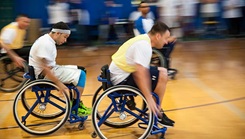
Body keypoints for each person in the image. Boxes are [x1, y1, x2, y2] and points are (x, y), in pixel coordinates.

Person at [109, 21, 175, 127]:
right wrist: (148, 98)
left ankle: (156, 110)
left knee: (162, 71)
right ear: (158, 36)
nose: (167, 42)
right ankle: (156, 113)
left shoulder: (143, 38)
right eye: (166, 38)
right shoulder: (144, 46)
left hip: (119, 73)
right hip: (121, 79)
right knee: (162, 75)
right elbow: (139, 74)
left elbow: (141, 70)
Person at [29, 21, 92, 116]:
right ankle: (76, 107)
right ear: (58, 33)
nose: (65, 40)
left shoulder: (46, 40)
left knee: (81, 69)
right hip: (44, 74)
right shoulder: (46, 43)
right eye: (65, 37)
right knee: (81, 75)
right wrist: (60, 85)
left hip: (46, 71)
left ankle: (75, 102)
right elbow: (45, 68)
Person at [135, 1, 177, 76]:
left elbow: (157, 32)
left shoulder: (151, 20)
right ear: (139, 9)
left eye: (147, 6)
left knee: (172, 41)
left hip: (154, 40)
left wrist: (166, 37)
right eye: (143, 7)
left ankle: (163, 60)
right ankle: (164, 62)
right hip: (148, 42)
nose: (146, 8)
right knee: (168, 44)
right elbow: (144, 35)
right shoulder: (138, 21)